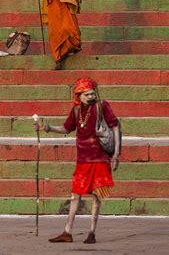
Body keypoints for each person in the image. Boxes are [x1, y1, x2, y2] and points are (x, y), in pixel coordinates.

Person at [34, 77, 121, 244]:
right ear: (79, 96)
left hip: (100, 159)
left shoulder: (102, 106)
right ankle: (67, 232)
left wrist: (116, 154)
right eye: (87, 94)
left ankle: (92, 233)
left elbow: (115, 127)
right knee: (75, 196)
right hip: (82, 160)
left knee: (97, 196)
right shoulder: (75, 110)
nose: (90, 97)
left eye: (92, 94)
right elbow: (66, 128)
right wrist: (46, 128)